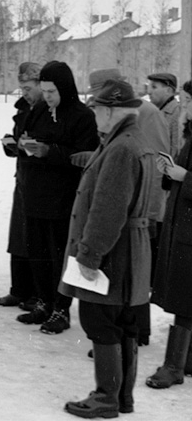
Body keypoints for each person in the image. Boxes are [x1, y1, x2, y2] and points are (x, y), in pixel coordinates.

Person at [60, 79, 153, 418]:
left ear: (111, 111)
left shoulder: (121, 149)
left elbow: (108, 209)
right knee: (123, 323)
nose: (95, 115)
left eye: (97, 109)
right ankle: (121, 397)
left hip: (113, 254)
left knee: (100, 321)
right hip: (130, 250)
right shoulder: (129, 141)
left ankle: (106, 397)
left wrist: (89, 255)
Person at [75, 69, 170, 348]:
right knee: (123, 316)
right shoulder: (121, 137)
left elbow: (155, 163)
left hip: (130, 227)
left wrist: (150, 211)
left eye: (96, 104)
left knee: (111, 314)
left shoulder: (131, 134)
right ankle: (118, 388)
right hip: (130, 225)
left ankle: (111, 388)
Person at [16, 61, 99, 334]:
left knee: (58, 254)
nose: (48, 96)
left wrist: (48, 151)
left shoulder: (81, 116)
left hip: (64, 198)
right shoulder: (38, 110)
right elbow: (25, 137)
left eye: (52, 91)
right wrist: (20, 144)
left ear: (64, 88)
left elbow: (85, 156)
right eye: (45, 90)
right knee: (37, 251)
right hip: (35, 194)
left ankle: (61, 308)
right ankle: (43, 301)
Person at [145, 80, 192, 389]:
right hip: (183, 226)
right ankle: (185, 361)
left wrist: (184, 176)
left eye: (188, 100)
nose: (184, 105)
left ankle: (174, 366)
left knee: (185, 298)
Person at [0, 63, 40, 306]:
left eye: (29, 88)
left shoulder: (47, 111)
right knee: (18, 238)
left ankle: (35, 294)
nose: (25, 93)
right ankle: (19, 289)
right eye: (22, 88)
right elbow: (21, 143)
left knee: (35, 240)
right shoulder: (22, 110)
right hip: (22, 179)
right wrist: (11, 146)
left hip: (40, 183)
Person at [146, 73, 181, 158]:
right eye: (149, 87)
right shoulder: (154, 111)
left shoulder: (177, 114)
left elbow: (176, 152)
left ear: (168, 91)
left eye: (154, 87)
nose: (149, 92)